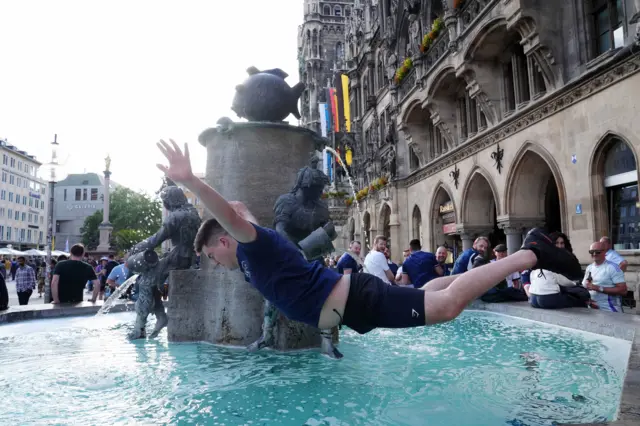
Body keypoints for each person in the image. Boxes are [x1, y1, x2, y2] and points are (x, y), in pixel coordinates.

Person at [156, 140, 583, 338]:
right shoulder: (250, 255)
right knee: (426, 291)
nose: (212, 262)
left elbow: (231, 215)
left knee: (448, 307)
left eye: (211, 254)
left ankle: (529, 253)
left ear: (224, 240)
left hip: (357, 299)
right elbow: (241, 210)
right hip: (352, 309)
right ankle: (528, 252)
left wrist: (192, 181)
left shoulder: (252, 246)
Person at [583, 241, 627, 313]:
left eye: (597, 252)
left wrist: (598, 288)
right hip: (592, 309)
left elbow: (623, 290)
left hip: (610, 310)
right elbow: (586, 286)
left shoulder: (612, 267)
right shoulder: (589, 268)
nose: (594, 254)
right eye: (591, 252)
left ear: (604, 252)